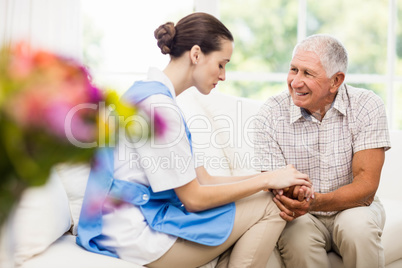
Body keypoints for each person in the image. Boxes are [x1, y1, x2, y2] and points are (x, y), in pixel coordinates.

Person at [76, 12, 312, 268]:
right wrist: (266, 180)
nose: (223, 76)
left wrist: (271, 178)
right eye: (221, 64)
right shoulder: (159, 107)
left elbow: (203, 179)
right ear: (196, 54)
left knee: (257, 204)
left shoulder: (151, 96)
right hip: (135, 236)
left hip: (126, 225)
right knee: (270, 207)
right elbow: (195, 199)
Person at [254, 34, 391, 268]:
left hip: (354, 207)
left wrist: (314, 201)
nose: (295, 82)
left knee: (358, 229)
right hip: (301, 214)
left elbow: (366, 187)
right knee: (297, 237)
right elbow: (275, 183)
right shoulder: (270, 113)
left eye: (308, 73)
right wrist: (300, 199)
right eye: (294, 69)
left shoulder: (367, 105)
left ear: (336, 81)